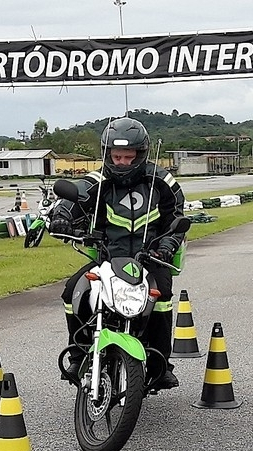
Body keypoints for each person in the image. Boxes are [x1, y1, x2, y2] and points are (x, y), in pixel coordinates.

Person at [49, 117, 186, 389]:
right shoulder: (97, 179)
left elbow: (177, 217)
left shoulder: (161, 181)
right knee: (72, 292)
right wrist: (61, 215)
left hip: (151, 258)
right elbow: (72, 198)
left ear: (141, 154)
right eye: (117, 156)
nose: (122, 162)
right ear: (107, 154)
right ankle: (78, 354)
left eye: (128, 156)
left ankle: (161, 365)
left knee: (162, 298)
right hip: (107, 258)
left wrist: (168, 246)